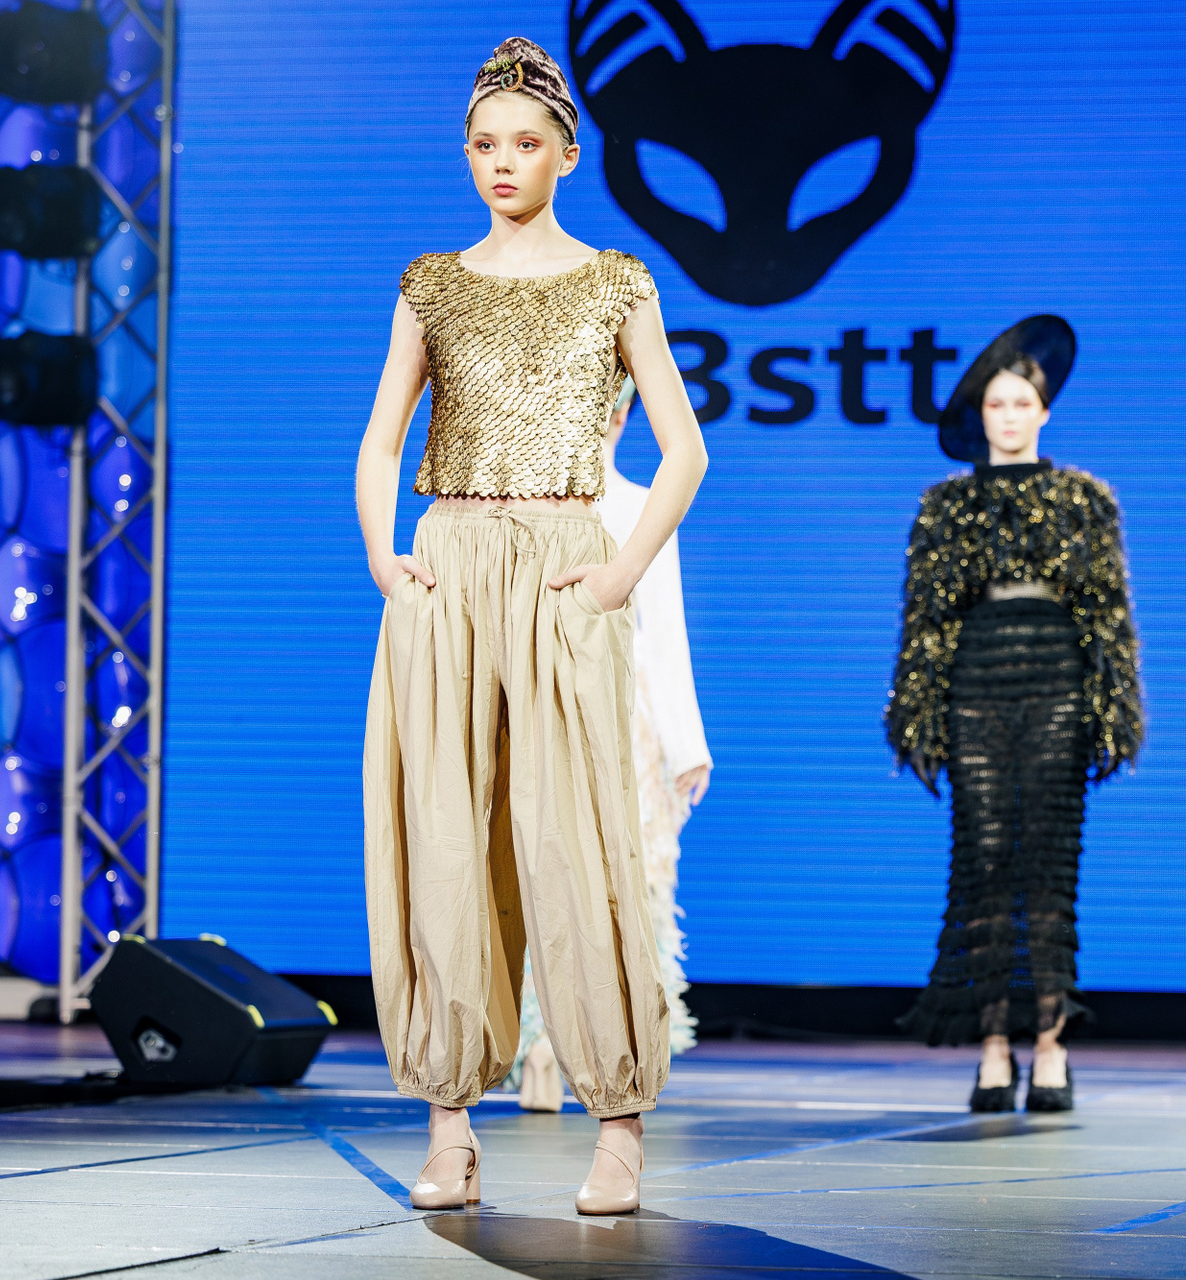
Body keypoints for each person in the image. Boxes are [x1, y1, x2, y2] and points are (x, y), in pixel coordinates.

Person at [355, 37, 706, 1216]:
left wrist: (617, 576)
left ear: (567, 153)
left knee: (577, 838)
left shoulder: (617, 281)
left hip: (565, 566)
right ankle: (450, 1122)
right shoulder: (430, 283)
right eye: (483, 145)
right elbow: (381, 441)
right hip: (450, 563)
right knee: (445, 835)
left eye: (523, 143)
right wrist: (385, 558)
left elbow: (685, 451)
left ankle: (618, 1120)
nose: (501, 162)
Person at [886, 316, 1143, 1113]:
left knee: (1049, 865)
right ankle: (994, 1047)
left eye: (1021, 403)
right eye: (996, 403)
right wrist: (918, 715)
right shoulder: (945, 506)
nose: (1008, 416)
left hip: (1057, 683)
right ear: (981, 414)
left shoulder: (1083, 499)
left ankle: (1051, 1047)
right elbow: (925, 622)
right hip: (978, 687)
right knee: (986, 859)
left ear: (1044, 412)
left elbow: (1108, 614)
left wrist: (1115, 710)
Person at [514, 378, 713, 1112]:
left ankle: (618, 1046)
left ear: (626, 412)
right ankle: (542, 1042)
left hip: (627, 717)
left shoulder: (642, 503)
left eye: (611, 404)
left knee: (630, 878)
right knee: (542, 869)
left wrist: (685, 740)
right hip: (541, 705)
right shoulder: (526, 505)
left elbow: (664, 626)